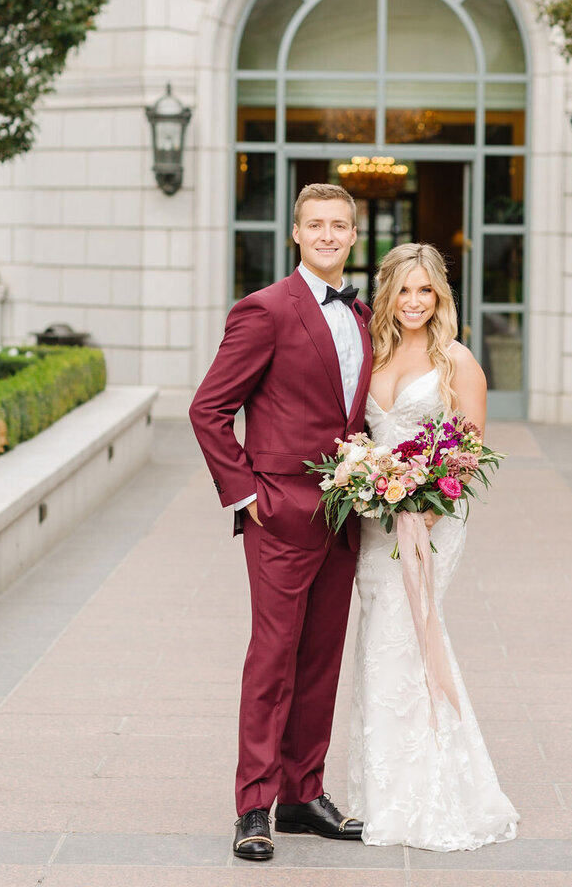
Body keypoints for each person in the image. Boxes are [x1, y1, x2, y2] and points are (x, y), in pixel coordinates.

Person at [189, 183, 373, 862]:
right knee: (272, 660)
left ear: (354, 235)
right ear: (296, 233)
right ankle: (253, 807)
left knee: (321, 659)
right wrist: (247, 495)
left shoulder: (362, 316)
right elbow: (208, 409)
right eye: (316, 224)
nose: (328, 235)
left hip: (347, 515)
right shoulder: (264, 310)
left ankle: (302, 793)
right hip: (281, 512)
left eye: (340, 225)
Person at [348, 242, 519, 851]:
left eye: (427, 291)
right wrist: (367, 480)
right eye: (404, 290)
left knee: (408, 632)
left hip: (434, 520)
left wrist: (420, 498)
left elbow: (468, 453)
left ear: (440, 297)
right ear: (387, 293)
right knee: (378, 642)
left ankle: (428, 794)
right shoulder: (373, 354)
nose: (415, 302)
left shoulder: (457, 360)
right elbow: (357, 436)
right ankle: (382, 788)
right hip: (375, 520)